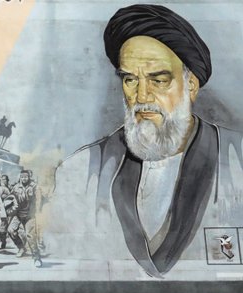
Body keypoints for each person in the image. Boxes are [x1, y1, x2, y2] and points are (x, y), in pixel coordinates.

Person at [50, 4, 243, 278]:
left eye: (158, 80)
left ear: (191, 85)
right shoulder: (79, 173)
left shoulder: (238, 160)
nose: (142, 96)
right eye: (130, 79)